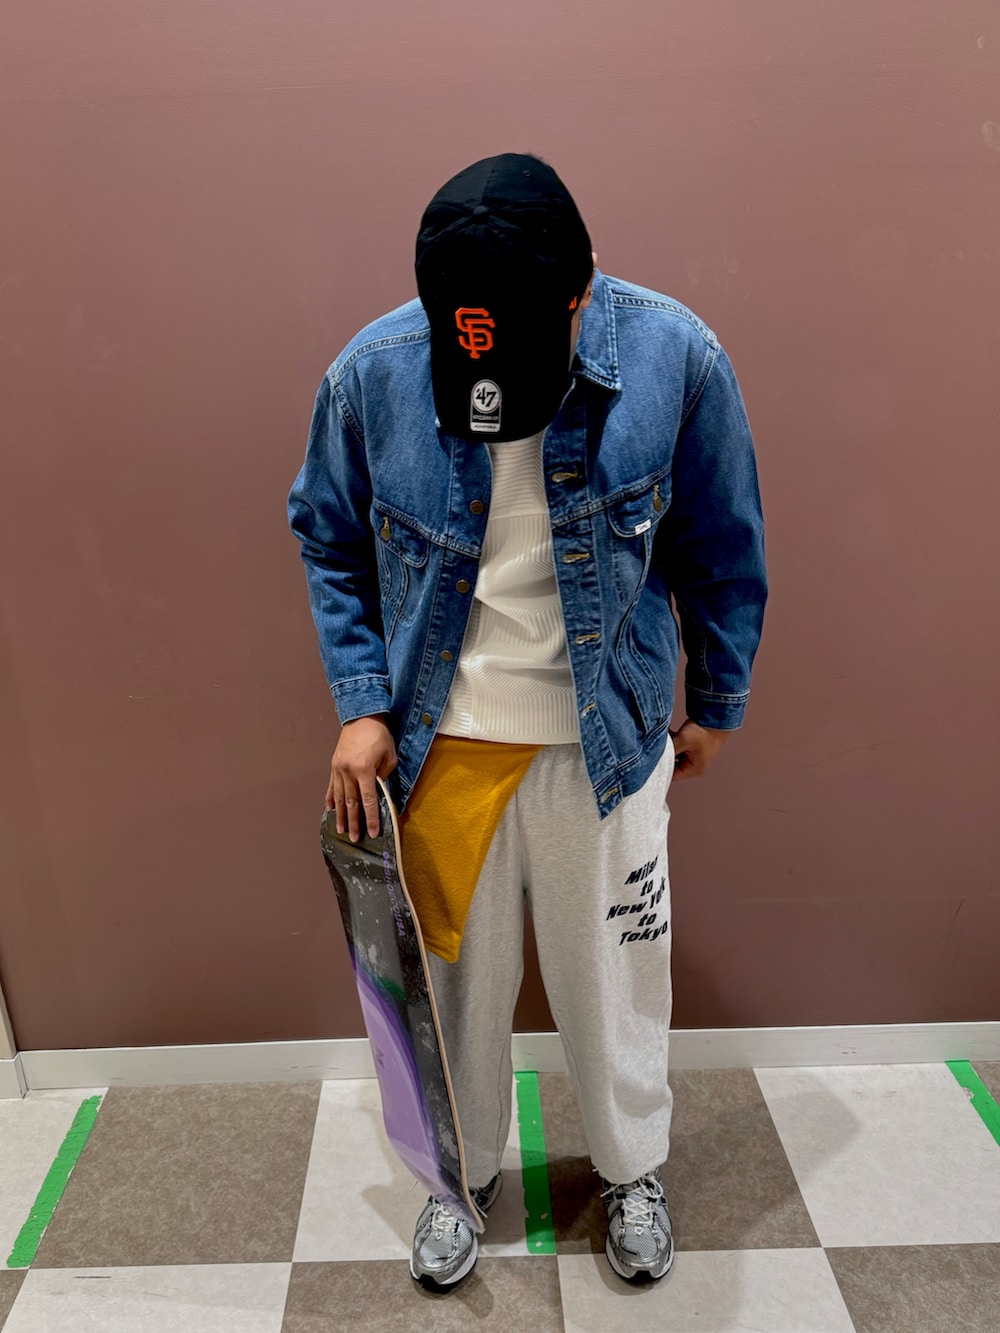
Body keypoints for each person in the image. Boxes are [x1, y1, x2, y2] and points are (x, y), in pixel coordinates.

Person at [288, 153, 767, 1289]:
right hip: (440, 746)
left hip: (608, 739)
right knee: (454, 994)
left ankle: (632, 1168)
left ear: (582, 285)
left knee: (615, 980)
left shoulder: (675, 358)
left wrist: (718, 699)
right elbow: (327, 535)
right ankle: (458, 1176)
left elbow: (722, 539)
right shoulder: (375, 371)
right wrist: (361, 703)